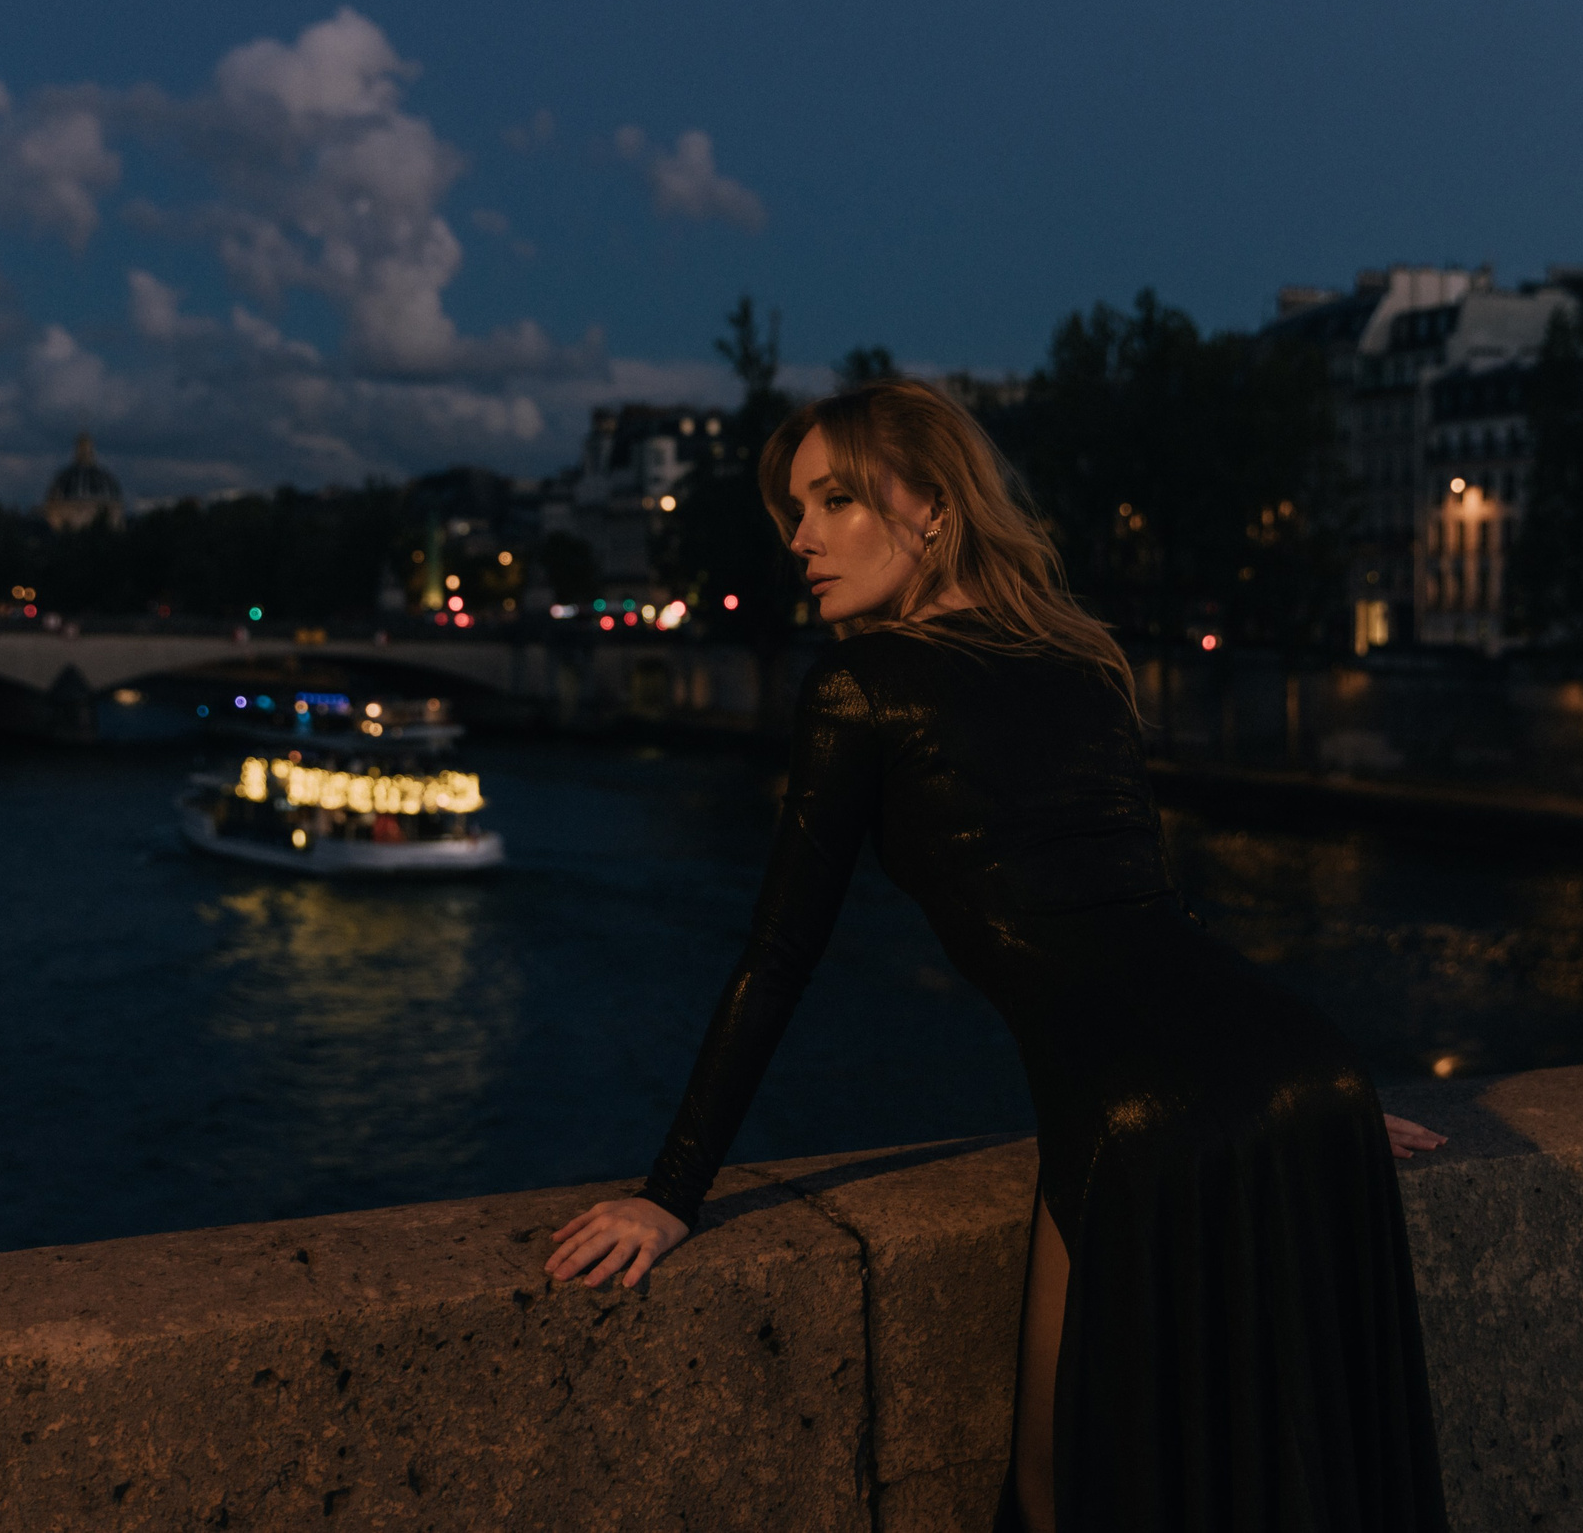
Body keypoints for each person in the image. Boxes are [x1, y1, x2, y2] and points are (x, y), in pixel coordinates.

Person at [546, 379, 1449, 1531]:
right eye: (792, 511)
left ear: (930, 505)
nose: (800, 538)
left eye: (832, 500)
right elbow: (1153, 916)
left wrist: (671, 1193)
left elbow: (776, 958)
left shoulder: (860, 689)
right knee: (1293, 1472)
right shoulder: (1082, 661)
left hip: (1135, 1114)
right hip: (1298, 1073)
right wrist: (1296, 1090)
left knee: (1061, 1490)